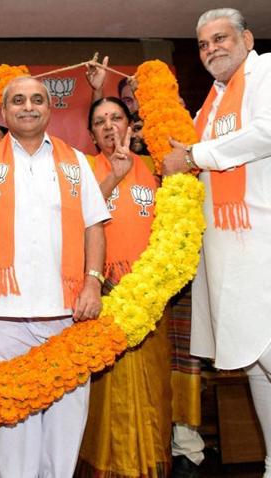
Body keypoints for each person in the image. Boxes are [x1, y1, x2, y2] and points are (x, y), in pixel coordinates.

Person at [0, 76, 109, 478]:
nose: (28, 106)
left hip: (67, 313)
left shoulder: (76, 162)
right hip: (7, 315)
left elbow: (95, 225)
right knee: (13, 421)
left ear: (50, 110)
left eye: (37, 99)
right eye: (18, 100)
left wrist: (92, 281)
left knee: (65, 423)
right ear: (4, 112)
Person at [162, 8, 271, 477]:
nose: (212, 49)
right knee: (255, 366)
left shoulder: (266, 72)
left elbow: (265, 133)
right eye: (204, 45)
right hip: (226, 251)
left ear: (246, 38)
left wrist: (193, 154)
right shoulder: (211, 103)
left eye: (220, 38)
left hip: (260, 240)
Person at [75, 96, 171, 478]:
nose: (109, 126)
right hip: (105, 292)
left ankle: (153, 464)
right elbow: (78, 217)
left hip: (152, 293)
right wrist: (114, 174)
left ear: (131, 126)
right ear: (92, 134)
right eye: (100, 121)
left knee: (154, 387)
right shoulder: (81, 168)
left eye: (116, 118)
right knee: (106, 389)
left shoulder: (154, 168)